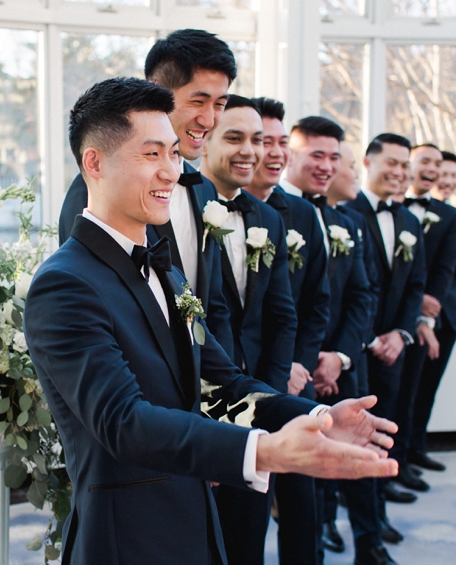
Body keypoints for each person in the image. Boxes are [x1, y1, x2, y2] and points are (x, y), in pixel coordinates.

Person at [25, 76, 399, 564]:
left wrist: (315, 417)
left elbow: (225, 383)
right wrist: (265, 451)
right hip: (128, 540)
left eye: (173, 153)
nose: (171, 171)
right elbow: (124, 423)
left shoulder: (169, 270)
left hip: (197, 525)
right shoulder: (65, 283)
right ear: (93, 163)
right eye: (150, 154)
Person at [57, 29, 237, 356]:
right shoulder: (93, 192)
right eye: (198, 101)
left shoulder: (205, 188)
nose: (209, 119)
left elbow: (215, 303)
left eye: (219, 104)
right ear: (158, 93)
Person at [197, 95, 299, 564]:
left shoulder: (270, 219)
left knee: (247, 542)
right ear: (205, 141)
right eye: (234, 137)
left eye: (256, 139)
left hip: (256, 407)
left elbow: (282, 318)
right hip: (195, 413)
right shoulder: (180, 208)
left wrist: (269, 401)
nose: (250, 151)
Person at [279, 117, 378, 562]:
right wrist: (300, 359)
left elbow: (361, 295)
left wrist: (338, 356)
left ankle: (366, 544)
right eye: (316, 154)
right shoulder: (271, 210)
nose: (326, 165)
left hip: (339, 363)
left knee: (357, 459)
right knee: (295, 487)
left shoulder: (346, 222)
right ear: (290, 155)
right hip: (288, 370)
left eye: (334, 157)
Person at [245, 98, 332, 564]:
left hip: (292, 379)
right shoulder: (209, 211)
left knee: (302, 504)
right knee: (246, 512)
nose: (275, 152)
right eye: (265, 142)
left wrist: (299, 362)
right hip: (238, 387)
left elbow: (316, 302)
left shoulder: (301, 216)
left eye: (282, 142)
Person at [347, 133, 427, 564]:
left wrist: (400, 334)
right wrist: (368, 338)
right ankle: (349, 532)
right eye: (391, 163)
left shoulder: (410, 223)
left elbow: (416, 286)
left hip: (394, 349)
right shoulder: (347, 211)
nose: (398, 173)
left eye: (404, 166)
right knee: (356, 442)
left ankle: (375, 522)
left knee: (385, 441)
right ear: (368, 162)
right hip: (355, 351)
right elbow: (348, 290)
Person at [389, 144, 456, 493]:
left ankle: (401, 461)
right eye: (424, 162)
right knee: (387, 396)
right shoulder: (389, 206)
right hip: (390, 316)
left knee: (410, 394)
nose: (432, 168)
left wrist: (425, 316)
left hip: (424, 318)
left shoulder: (449, 218)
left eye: (438, 163)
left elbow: (447, 271)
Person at [408, 151, 456, 472]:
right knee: (408, 388)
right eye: (439, 172)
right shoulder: (407, 209)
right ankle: (402, 453)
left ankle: (416, 447)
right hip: (414, 316)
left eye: (451, 175)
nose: (445, 180)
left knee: (428, 388)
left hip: (449, 316)